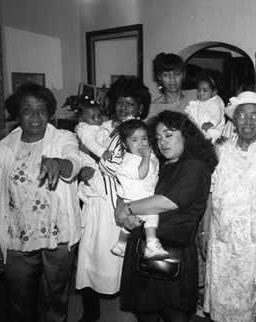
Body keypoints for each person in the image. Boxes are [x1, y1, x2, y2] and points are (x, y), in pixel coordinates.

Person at [0, 83, 82, 321]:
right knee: (18, 303)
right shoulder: (3, 149)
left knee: (56, 300)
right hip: (17, 236)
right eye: (27, 109)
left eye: (41, 109)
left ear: (50, 113)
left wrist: (60, 164)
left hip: (59, 236)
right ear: (17, 116)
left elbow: (74, 161)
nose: (36, 115)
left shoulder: (63, 138)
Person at [114, 110, 218, 322]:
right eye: (158, 138)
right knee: (145, 312)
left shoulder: (194, 166)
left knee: (174, 313)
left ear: (186, 135)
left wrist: (129, 208)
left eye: (169, 134)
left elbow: (167, 201)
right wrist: (123, 209)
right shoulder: (159, 163)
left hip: (172, 250)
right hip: (144, 244)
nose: (162, 142)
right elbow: (131, 189)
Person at [200, 91, 256, 321]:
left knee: (253, 300)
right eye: (242, 115)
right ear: (233, 120)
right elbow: (209, 194)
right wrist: (205, 230)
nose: (248, 121)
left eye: (254, 116)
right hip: (222, 240)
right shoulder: (219, 151)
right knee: (223, 298)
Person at [75, 76, 151, 322]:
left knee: (131, 263)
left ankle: (139, 312)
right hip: (98, 202)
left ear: (140, 107)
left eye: (131, 103)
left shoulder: (143, 133)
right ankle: (90, 311)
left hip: (127, 204)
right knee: (90, 258)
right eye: (120, 102)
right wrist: (83, 173)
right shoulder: (100, 127)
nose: (125, 108)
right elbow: (81, 154)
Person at [111, 119, 167, 259]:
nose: (141, 143)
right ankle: (152, 244)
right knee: (152, 216)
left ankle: (120, 245)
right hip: (135, 199)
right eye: (134, 140)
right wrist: (146, 157)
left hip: (140, 198)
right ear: (125, 144)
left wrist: (149, 157)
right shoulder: (130, 161)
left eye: (144, 138)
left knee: (132, 224)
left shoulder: (147, 156)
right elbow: (141, 174)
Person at [147, 53, 197, 119]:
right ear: (159, 77)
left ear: (183, 74)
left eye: (177, 74)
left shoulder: (195, 96)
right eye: (166, 75)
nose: (172, 80)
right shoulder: (154, 108)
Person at [184, 72, 225, 142]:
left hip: (212, 131)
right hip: (201, 131)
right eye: (199, 90)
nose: (200, 93)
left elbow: (217, 117)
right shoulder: (201, 102)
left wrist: (210, 124)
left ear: (214, 92)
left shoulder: (214, 103)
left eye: (204, 90)